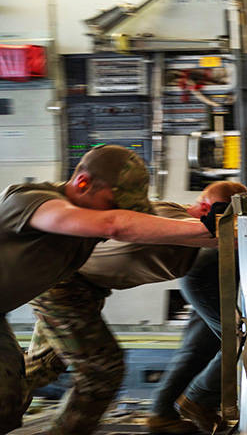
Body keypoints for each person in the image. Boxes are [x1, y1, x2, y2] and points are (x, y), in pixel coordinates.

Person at [0, 145, 218, 434]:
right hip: (60, 293)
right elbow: (113, 225)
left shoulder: (90, 218)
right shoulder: (30, 200)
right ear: (82, 183)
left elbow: (133, 225)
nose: (117, 210)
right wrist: (209, 228)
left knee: (11, 399)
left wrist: (225, 235)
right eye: (112, 202)